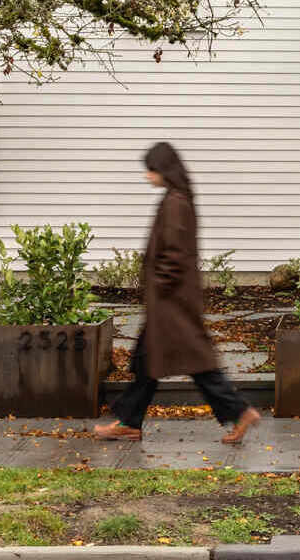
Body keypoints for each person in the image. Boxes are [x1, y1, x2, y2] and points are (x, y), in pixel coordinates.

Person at [93, 142, 262, 444]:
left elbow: (174, 254)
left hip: (171, 304)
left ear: (164, 169)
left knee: (196, 366)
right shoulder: (177, 198)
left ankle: (239, 411)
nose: (148, 176)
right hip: (169, 302)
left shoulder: (175, 203)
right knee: (148, 362)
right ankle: (130, 421)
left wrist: (159, 286)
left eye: (151, 170)